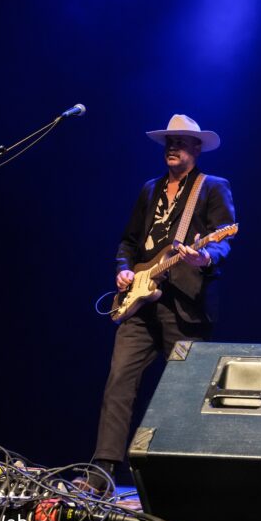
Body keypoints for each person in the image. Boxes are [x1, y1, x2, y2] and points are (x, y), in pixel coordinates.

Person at [85, 114, 236, 492]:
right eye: (169, 141)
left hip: (184, 304)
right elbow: (128, 242)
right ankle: (102, 472)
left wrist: (205, 258)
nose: (173, 146)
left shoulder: (212, 187)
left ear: (197, 148)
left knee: (186, 391)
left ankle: (188, 478)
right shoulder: (149, 189)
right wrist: (123, 270)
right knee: (119, 380)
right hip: (140, 301)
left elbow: (223, 239)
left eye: (182, 141)